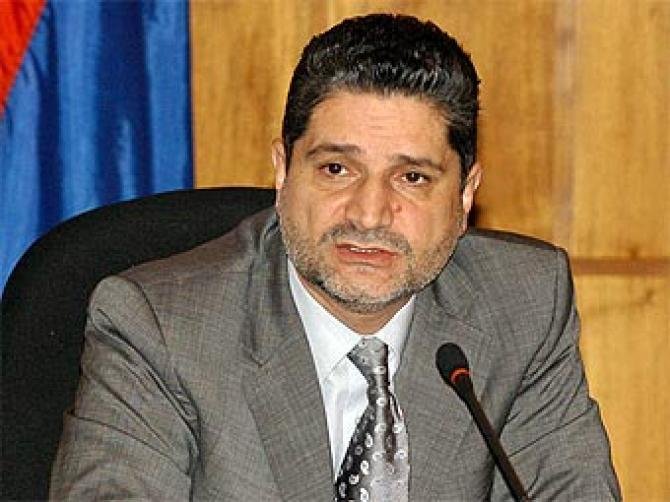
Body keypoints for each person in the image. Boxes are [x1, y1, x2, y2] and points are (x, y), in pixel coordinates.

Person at [50, 13, 620, 501]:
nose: (369, 214)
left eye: (412, 177)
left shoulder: (525, 306)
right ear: (283, 171)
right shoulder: (160, 328)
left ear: (465, 195)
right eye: (336, 169)